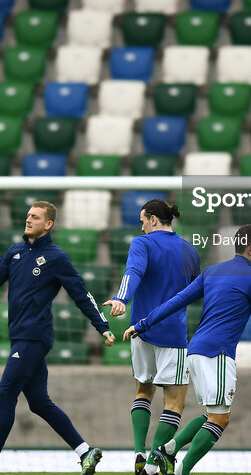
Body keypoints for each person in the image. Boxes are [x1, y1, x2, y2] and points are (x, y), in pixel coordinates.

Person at [0, 200, 115, 475]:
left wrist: (101, 326)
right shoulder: (16, 252)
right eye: (28, 215)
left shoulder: (57, 257)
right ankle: (85, 452)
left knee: (5, 391)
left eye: (35, 217)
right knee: (38, 402)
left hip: (33, 336)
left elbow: (80, 293)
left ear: (49, 224)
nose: (28, 219)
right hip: (20, 336)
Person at [123, 225, 251, 475]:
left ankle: (166, 451)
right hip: (217, 353)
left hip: (194, 351)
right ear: (250, 250)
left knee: (211, 415)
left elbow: (177, 300)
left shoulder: (212, 271)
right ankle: (179, 469)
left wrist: (143, 323)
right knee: (220, 419)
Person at [102, 200, 201, 475]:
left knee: (143, 391)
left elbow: (133, 272)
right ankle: (153, 462)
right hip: (173, 333)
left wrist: (122, 298)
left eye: (143, 220)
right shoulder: (189, 251)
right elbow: (195, 290)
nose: (142, 225)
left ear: (154, 220)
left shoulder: (142, 244)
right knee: (175, 403)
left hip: (140, 330)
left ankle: (139, 452)